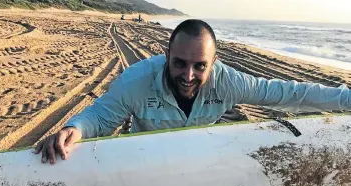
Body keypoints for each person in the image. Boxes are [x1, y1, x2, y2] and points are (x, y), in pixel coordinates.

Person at [35, 19, 351, 164]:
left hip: (199, 159)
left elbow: (288, 93)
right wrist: (74, 129)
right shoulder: (137, 80)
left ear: (214, 63)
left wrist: (346, 99)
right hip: (146, 158)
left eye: (200, 66)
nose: (188, 75)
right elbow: (101, 116)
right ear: (166, 54)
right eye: (179, 63)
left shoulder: (229, 82)